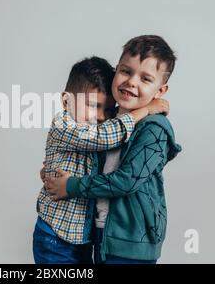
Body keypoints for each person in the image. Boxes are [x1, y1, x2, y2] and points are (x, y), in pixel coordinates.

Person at [45, 35, 182, 264]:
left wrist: (72, 186)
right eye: (126, 72)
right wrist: (52, 170)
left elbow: (126, 181)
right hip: (100, 233)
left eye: (145, 78)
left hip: (131, 242)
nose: (131, 82)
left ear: (160, 91)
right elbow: (85, 154)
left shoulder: (154, 128)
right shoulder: (106, 117)